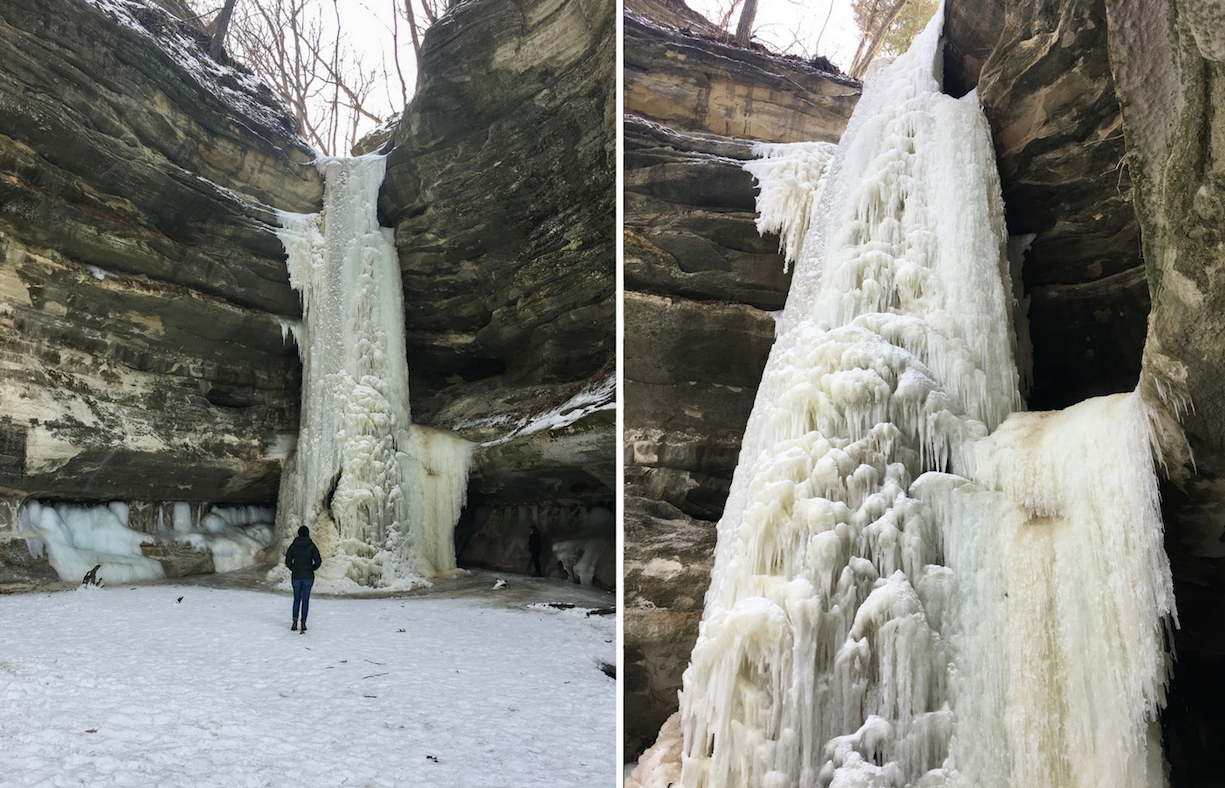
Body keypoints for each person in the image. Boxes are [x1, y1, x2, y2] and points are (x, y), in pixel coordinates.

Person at [285, 525, 322, 633]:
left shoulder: (293, 546)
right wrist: (312, 568)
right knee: (305, 600)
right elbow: (318, 561)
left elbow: (288, 561)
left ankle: (294, 621)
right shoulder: (311, 546)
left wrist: (294, 568)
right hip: (308, 576)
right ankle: (303, 622)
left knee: (296, 599)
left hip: (296, 576)